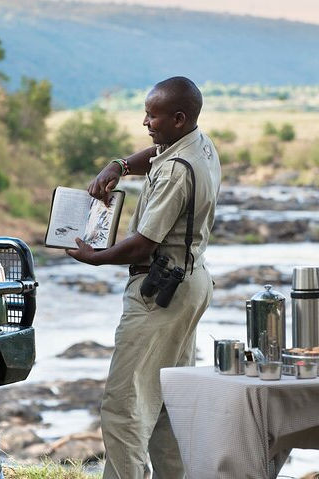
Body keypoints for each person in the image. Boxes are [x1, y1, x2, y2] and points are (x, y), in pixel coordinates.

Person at [67, 76, 221, 479]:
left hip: (160, 293)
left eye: (153, 116)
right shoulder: (198, 144)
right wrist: (118, 166)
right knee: (168, 400)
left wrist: (96, 257)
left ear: (179, 117)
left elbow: (141, 245)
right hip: (192, 282)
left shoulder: (174, 171)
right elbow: (153, 153)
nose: (145, 122)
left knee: (124, 407)